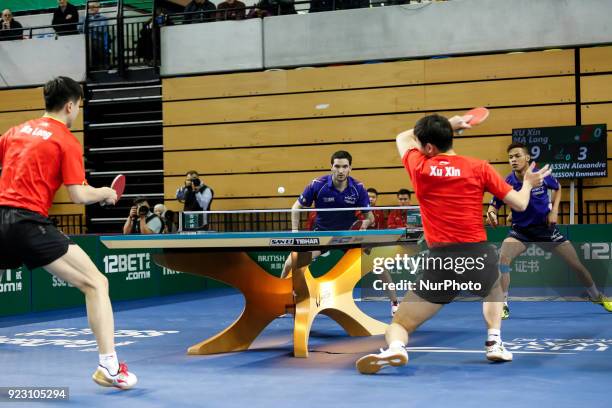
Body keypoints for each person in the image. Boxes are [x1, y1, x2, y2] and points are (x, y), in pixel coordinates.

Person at [356, 113, 552, 374]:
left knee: (400, 324)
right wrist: (527, 183)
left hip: (440, 259)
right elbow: (520, 203)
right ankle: (494, 341)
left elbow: (402, 137)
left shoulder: (419, 167)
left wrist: (451, 122)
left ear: (428, 148)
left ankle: (396, 349)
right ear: (449, 140)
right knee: (494, 287)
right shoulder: (478, 167)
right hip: (476, 254)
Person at [0, 77, 137, 389]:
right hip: (28, 223)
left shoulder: (15, 131)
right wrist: (103, 192)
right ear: (70, 105)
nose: (78, 113)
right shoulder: (66, 140)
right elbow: (77, 195)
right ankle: (109, 367)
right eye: (79, 107)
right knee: (96, 283)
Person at [487, 142, 612, 319]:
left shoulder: (540, 176)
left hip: (547, 230)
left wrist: (554, 210)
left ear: (527, 157)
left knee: (577, 266)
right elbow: (495, 203)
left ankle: (596, 296)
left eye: (517, 156)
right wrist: (491, 212)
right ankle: (503, 304)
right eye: (510, 157)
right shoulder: (508, 181)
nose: (513, 160)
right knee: (503, 260)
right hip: (521, 231)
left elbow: (558, 187)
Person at [279, 150, 374, 279]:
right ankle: (283, 290)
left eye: (345, 167)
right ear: (331, 167)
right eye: (337, 166)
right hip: (322, 236)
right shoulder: (318, 184)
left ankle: (394, 300)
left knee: (377, 265)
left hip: (347, 237)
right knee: (291, 262)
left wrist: (365, 223)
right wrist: (295, 232)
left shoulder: (358, 188)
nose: (341, 171)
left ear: (350, 168)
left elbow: (370, 217)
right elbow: (296, 207)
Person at [79, 2, 109, 69]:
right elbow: (79, 28)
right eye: (90, 6)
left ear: (98, 8)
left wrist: (89, 26)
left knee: (94, 43)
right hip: (85, 39)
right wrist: (95, 26)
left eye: (93, 6)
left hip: (97, 39)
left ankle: (99, 65)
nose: (91, 8)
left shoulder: (103, 18)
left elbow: (102, 29)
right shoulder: (83, 18)